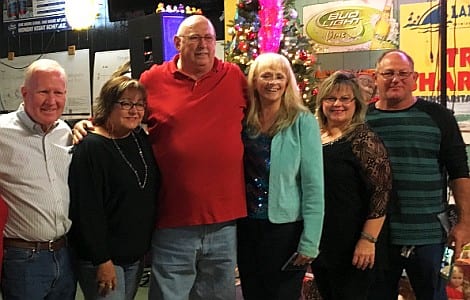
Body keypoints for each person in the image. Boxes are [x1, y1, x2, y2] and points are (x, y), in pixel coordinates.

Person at [73, 15, 247, 300]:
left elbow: (264, 114)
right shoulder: (153, 79)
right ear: (177, 43)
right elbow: (123, 108)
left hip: (224, 221)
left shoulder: (234, 76)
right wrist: (88, 123)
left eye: (208, 38)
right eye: (194, 38)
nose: (203, 45)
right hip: (173, 219)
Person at [366, 49, 470, 300]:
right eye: (388, 73)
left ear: (415, 78)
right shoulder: (361, 118)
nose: (395, 79)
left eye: (403, 73)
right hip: (377, 236)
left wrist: (465, 223)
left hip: (429, 235)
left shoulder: (439, 117)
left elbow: (459, 172)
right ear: (376, 77)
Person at [236, 52, 324, 300]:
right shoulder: (244, 120)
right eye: (266, 76)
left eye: (279, 76)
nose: (272, 82)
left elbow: (314, 185)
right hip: (247, 226)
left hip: (285, 230)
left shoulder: (302, 121)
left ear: (287, 82)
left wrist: (310, 241)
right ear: (254, 81)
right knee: (253, 293)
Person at [68, 76, 160, 300]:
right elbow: (86, 211)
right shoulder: (90, 147)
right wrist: (102, 260)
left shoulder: (139, 138)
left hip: (134, 255)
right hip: (103, 259)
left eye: (139, 104)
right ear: (109, 104)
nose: (134, 110)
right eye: (126, 103)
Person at [310, 70, 392, 300]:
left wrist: (368, 240)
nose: (338, 104)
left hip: (355, 243)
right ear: (321, 102)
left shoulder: (364, 139)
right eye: (331, 98)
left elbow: (381, 193)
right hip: (322, 240)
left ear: (356, 102)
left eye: (345, 98)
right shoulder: (314, 136)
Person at [0, 58, 76, 299]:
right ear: (24, 93)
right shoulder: (2, 132)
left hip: (64, 255)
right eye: (43, 91)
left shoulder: (65, 132)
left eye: (58, 92)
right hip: (22, 260)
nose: (51, 101)